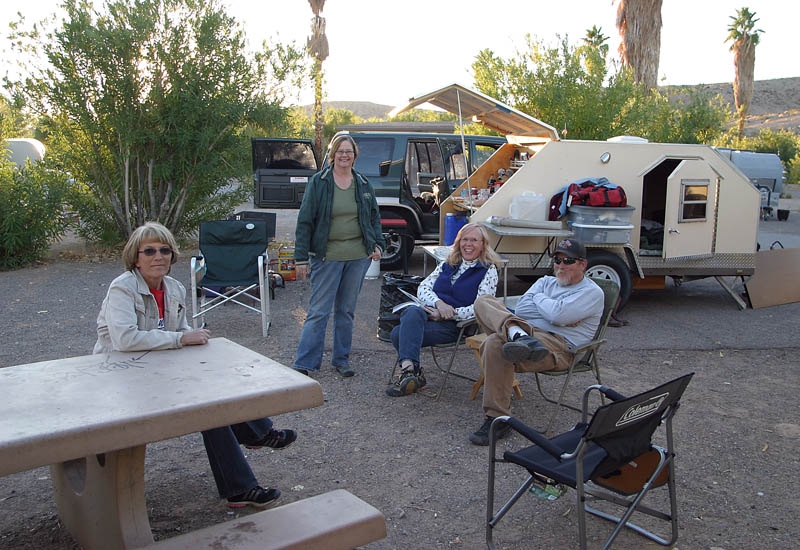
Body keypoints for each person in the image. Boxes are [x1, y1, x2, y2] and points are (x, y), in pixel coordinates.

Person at [94, 221, 296, 508]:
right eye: (148, 251)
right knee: (206, 406)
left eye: (164, 250)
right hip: (121, 378)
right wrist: (181, 339)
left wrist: (196, 345)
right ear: (135, 258)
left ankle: (246, 471)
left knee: (212, 388)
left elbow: (183, 329)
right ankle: (254, 439)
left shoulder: (174, 288)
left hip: (159, 371)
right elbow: (125, 339)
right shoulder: (123, 288)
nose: (158, 257)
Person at [469, 237, 604, 446]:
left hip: (560, 347)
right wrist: (555, 312)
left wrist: (541, 302)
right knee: (483, 301)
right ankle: (517, 337)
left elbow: (558, 316)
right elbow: (524, 310)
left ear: (583, 264)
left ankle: (497, 417)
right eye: (557, 260)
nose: (561, 265)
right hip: (528, 332)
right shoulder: (545, 281)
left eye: (568, 261)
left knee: (493, 343)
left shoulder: (592, 292)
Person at [292, 134, 385, 377]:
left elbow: (374, 218)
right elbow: (305, 221)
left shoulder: (363, 183)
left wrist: (378, 244)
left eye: (349, 151)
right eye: (340, 151)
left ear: (355, 155)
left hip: (357, 258)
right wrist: (300, 257)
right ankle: (305, 363)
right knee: (319, 311)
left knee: (346, 311)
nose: (345, 155)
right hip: (327, 257)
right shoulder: (319, 182)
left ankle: (341, 360)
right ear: (333, 155)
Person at [386, 222, 501, 396]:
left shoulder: (487, 270)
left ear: (483, 245)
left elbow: (482, 307)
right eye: (465, 239)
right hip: (429, 315)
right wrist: (439, 304)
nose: (468, 244)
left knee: (397, 333)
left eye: (474, 240)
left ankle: (411, 372)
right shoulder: (449, 263)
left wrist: (448, 314)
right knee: (413, 311)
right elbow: (423, 288)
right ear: (459, 242)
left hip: (456, 326)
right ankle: (410, 372)